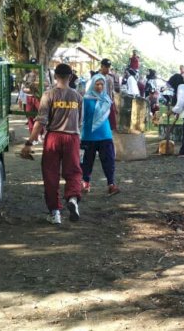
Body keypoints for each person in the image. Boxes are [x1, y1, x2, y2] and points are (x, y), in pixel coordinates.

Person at [21, 63, 84, 226]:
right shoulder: (78, 97)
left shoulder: (48, 95)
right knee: (74, 172)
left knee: (51, 174)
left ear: (56, 76)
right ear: (70, 77)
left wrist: (29, 142)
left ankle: (55, 212)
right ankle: (73, 199)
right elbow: (79, 122)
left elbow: (40, 121)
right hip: (72, 137)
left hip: (53, 138)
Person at [80, 74, 120, 196]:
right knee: (86, 161)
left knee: (109, 160)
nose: (100, 86)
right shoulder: (85, 100)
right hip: (88, 136)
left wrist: (114, 129)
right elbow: (80, 117)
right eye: (97, 84)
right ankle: (85, 183)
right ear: (92, 84)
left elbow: (112, 117)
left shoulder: (107, 99)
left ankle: (111, 184)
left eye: (102, 84)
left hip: (105, 134)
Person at [99, 58, 120, 130]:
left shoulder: (111, 78)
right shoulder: (96, 78)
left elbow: (112, 93)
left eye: (109, 67)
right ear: (101, 66)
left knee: (110, 127)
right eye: (106, 67)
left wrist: (115, 106)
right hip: (100, 105)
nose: (108, 69)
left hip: (109, 105)